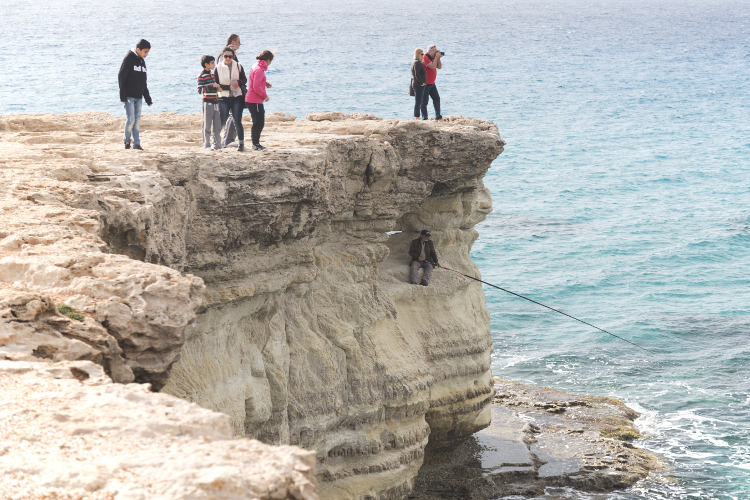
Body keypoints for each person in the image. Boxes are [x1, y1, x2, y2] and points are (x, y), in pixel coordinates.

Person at [118, 39, 152, 150]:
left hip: (139, 97)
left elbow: (143, 82)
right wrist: (122, 95)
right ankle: (127, 141)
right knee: (131, 119)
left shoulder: (142, 61)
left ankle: (136, 144)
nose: (146, 54)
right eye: (145, 52)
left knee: (137, 121)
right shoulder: (129, 58)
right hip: (128, 96)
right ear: (138, 50)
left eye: (148, 52)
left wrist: (148, 98)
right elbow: (121, 76)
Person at [216, 46, 246, 151]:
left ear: (233, 56)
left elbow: (244, 79)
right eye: (226, 56)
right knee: (221, 121)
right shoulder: (218, 67)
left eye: (230, 56)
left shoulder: (238, 66)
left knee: (237, 121)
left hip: (236, 97)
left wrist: (238, 83)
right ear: (222, 56)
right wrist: (227, 87)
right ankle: (216, 144)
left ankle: (241, 144)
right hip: (223, 97)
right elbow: (216, 84)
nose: (228, 58)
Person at [245, 50, 273, 151]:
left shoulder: (256, 65)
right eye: (270, 61)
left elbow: (255, 80)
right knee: (259, 123)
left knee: (258, 122)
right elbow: (256, 87)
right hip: (254, 100)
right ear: (268, 60)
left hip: (252, 100)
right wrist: (265, 96)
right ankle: (255, 144)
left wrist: (265, 83)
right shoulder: (260, 70)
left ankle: (255, 143)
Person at [197, 55, 222, 151]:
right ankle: (206, 145)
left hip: (216, 102)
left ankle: (217, 146)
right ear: (206, 64)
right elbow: (200, 90)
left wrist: (219, 92)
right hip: (207, 102)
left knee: (217, 125)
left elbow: (216, 89)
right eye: (212, 63)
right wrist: (212, 85)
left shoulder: (212, 75)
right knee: (207, 125)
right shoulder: (201, 76)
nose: (214, 64)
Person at [421, 45, 443, 120]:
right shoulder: (425, 57)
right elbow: (432, 66)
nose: (436, 52)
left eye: (436, 50)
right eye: (434, 50)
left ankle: (438, 116)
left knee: (437, 99)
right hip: (425, 84)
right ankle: (425, 118)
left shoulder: (433, 58)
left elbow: (439, 67)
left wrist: (438, 58)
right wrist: (436, 57)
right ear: (429, 51)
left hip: (432, 83)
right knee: (424, 102)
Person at [410, 48, 427, 120]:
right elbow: (417, 75)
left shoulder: (416, 62)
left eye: (423, 54)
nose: (423, 55)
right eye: (422, 54)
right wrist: (422, 83)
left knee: (419, 101)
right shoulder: (417, 63)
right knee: (418, 102)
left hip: (417, 84)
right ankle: (417, 117)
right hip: (418, 85)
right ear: (418, 54)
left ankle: (418, 117)